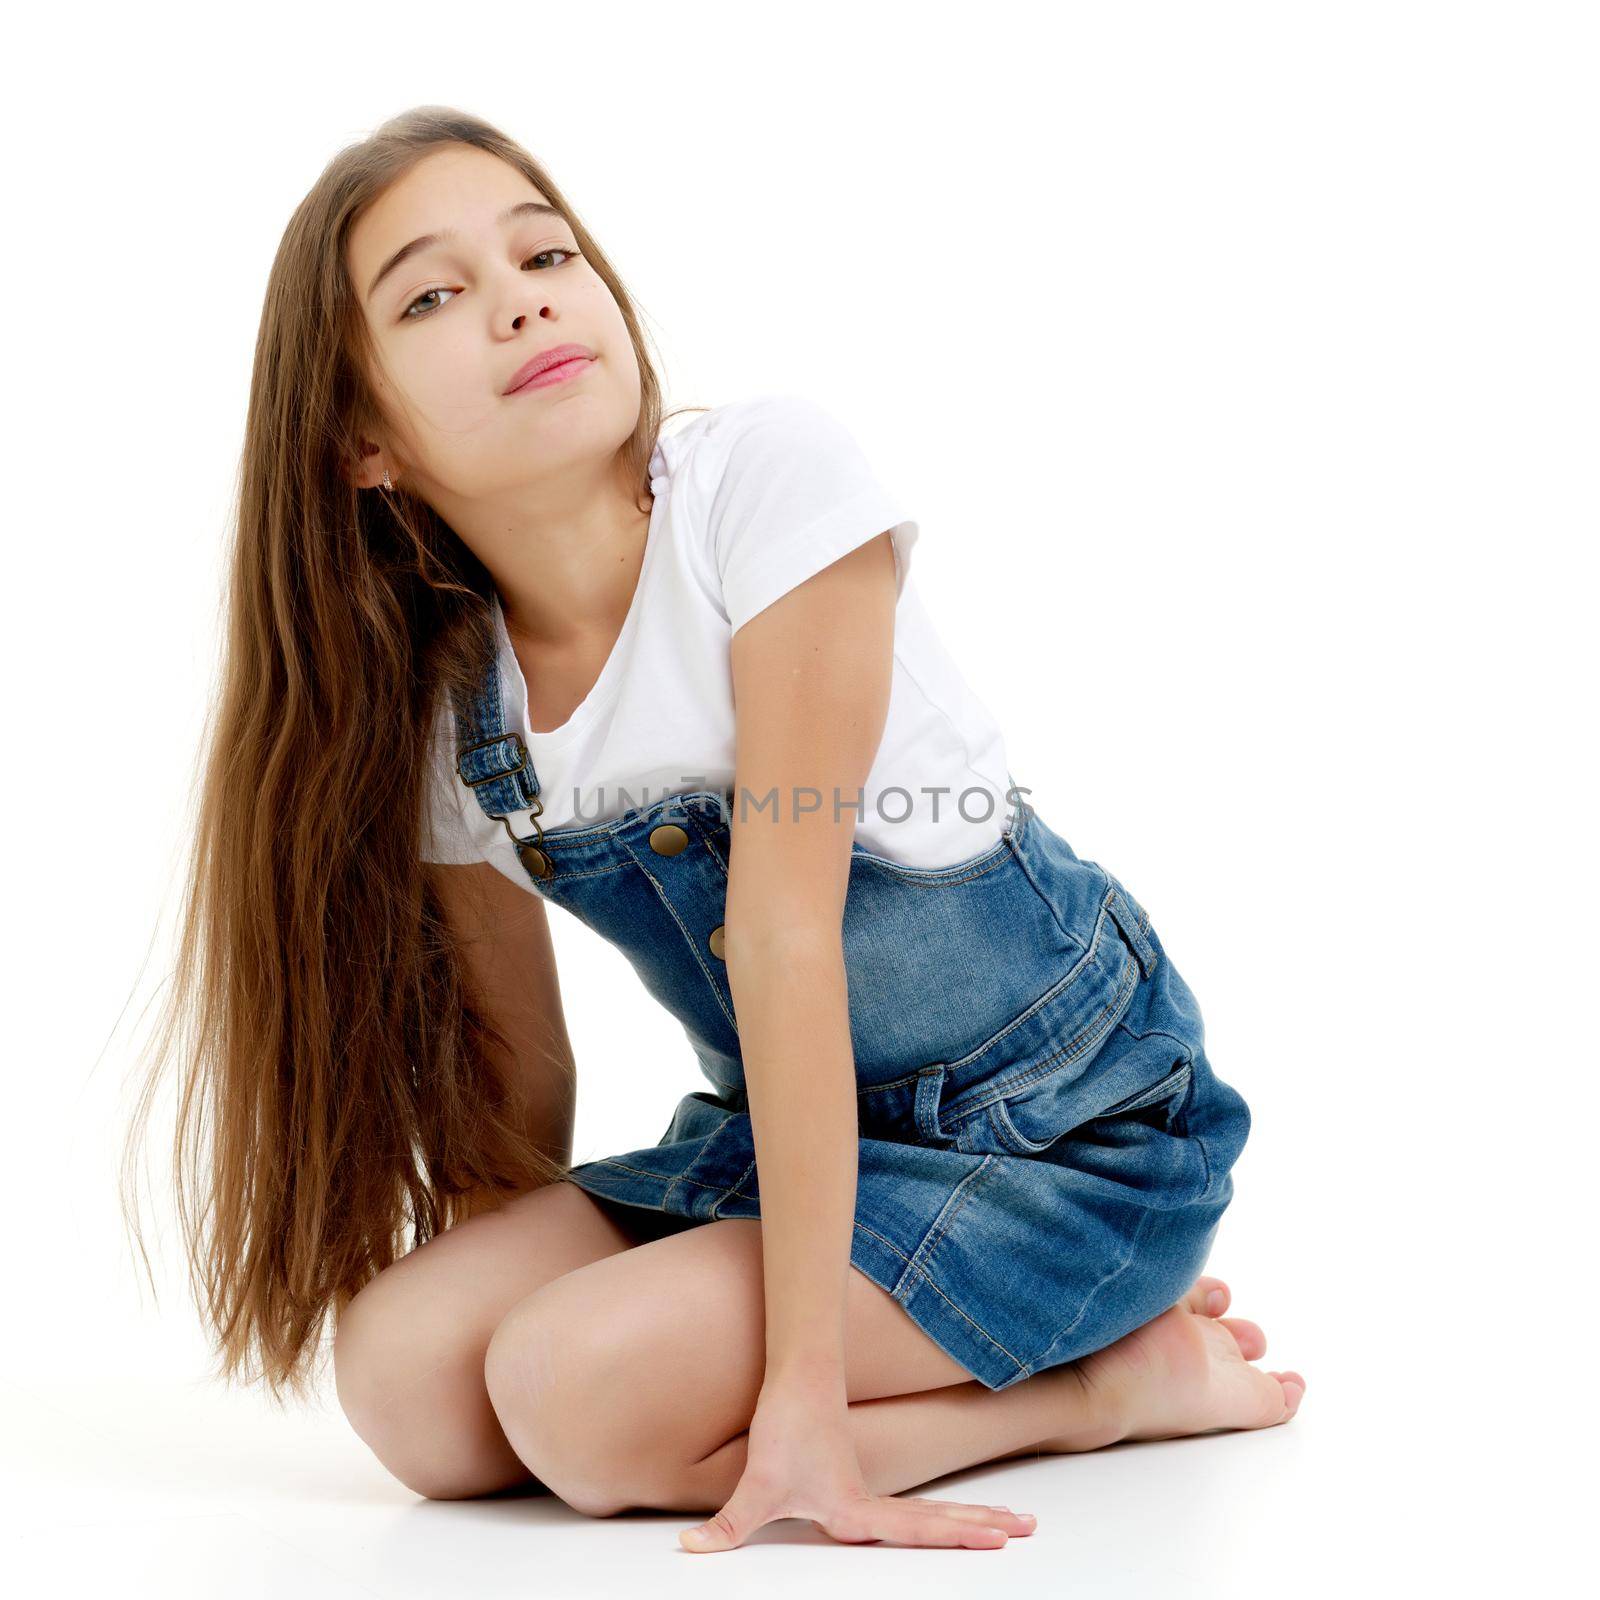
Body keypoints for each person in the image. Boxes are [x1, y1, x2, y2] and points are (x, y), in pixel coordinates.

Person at [122, 105, 1305, 1555]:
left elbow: (784, 932)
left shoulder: (763, 487)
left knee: (577, 1401)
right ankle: (687, 1378)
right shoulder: (455, 703)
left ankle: (1097, 1391)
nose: (521, 299)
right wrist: (518, 1287)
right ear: (362, 442)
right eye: (433, 295)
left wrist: (788, 1393)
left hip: (1064, 1145)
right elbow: (518, 1068)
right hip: (786, 1142)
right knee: (412, 1385)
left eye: (543, 250)